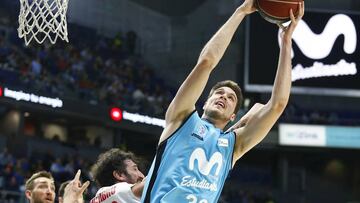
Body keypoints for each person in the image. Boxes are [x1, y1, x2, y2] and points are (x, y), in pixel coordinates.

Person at [141, 0, 305, 202]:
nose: (223, 97)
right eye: (219, 93)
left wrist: (286, 40)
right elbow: (206, 62)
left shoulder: (233, 146)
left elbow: (278, 104)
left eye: (231, 98)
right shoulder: (181, 119)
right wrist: (241, 11)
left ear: (233, 116)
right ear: (205, 102)